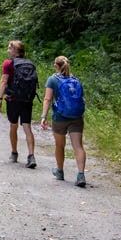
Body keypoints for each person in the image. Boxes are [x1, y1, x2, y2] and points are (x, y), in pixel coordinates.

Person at [39, 55, 88, 187]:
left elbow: (48, 99)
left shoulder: (52, 79)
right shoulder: (76, 80)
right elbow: (81, 98)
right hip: (77, 117)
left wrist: (43, 116)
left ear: (56, 65)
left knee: (60, 145)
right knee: (78, 146)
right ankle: (81, 175)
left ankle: (60, 172)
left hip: (60, 117)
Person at [0, 40, 38, 168]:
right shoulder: (30, 63)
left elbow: (4, 81)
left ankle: (14, 153)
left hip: (13, 100)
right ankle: (31, 156)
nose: (8, 50)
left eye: (10, 48)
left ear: (15, 51)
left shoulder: (8, 63)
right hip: (27, 99)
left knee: (13, 126)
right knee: (27, 127)